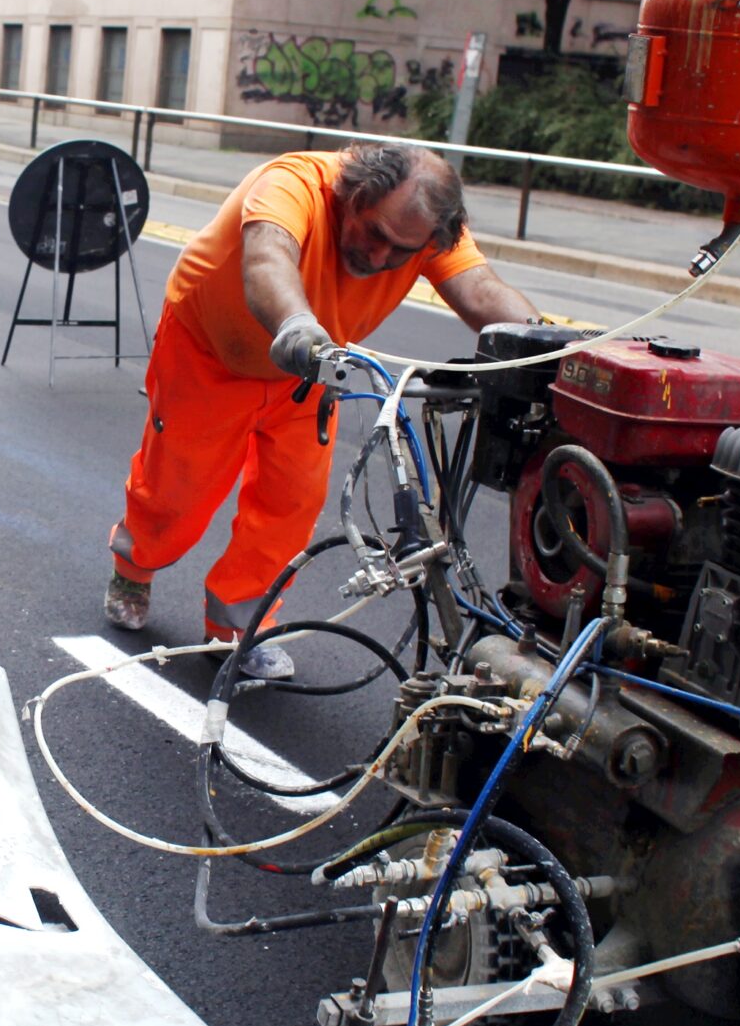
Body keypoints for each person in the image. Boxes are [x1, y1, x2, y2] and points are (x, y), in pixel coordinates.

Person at [105, 143, 537, 679]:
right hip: (214, 353)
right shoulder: (293, 185)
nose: (379, 258)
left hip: (310, 368)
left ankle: (237, 627)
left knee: (289, 504)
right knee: (177, 489)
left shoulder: (424, 225)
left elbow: (481, 290)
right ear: (352, 195)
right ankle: (134, 566)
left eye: (401, 251)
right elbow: (268, 257)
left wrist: (549, 351)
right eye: (373, 233)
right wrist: (296, 326)